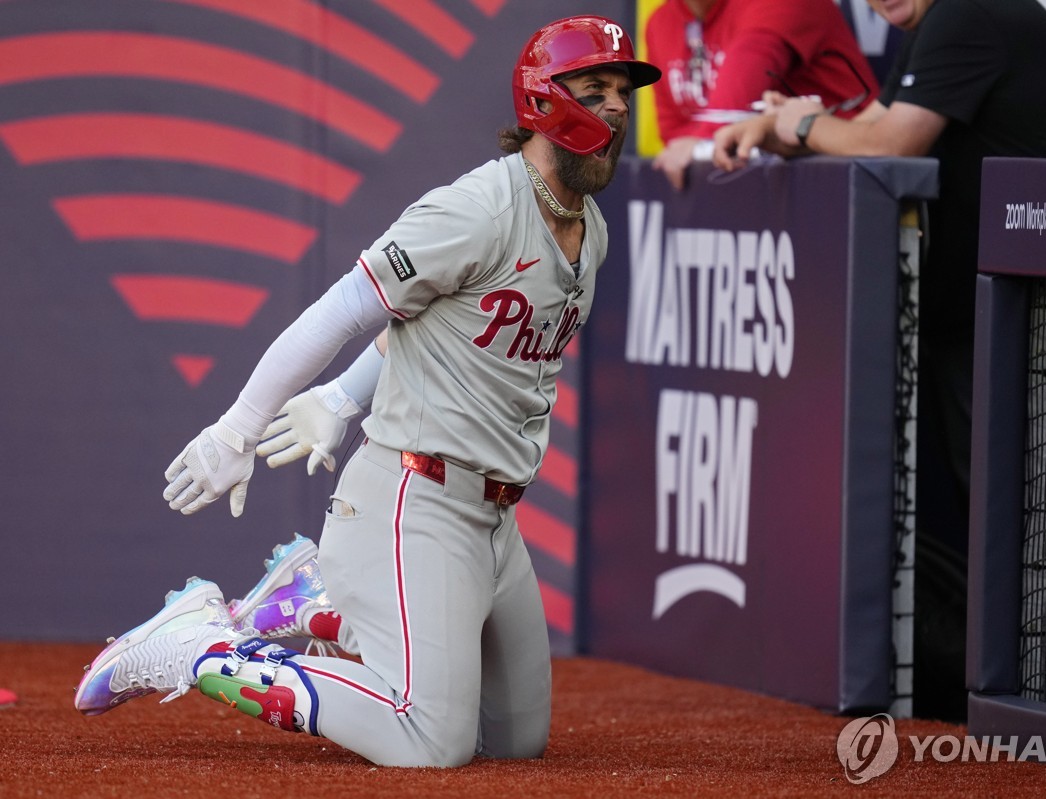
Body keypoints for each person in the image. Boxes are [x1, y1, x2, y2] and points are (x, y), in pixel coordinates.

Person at [73, 15, 661, 767]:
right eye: (597, 87)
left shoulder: (592, 229)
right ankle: (201, 645)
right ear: (545, 101)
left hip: (496, 515)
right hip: (418, 496)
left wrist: (343, 399)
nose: (617, 105)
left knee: (516, 742)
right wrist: (237, 428)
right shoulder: (479, 209)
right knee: (429, 737)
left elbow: (441, 328)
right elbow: (346, 307)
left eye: (624, 90)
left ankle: (319, 601)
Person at [712, 0, 1046, 720]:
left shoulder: (968, 12)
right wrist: (791, 127)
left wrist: (794, 122)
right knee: (1005, 511)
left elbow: (891, 142)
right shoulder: (930, 35)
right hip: (997, 310)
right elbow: (864, 135)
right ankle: (1027, 695)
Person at [646, 0, 877, 189]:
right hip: (771, 180)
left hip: (856, 167)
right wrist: (694, 144)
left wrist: (697, 143)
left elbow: (728, 113)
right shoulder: (661, 22)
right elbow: (676, 135)